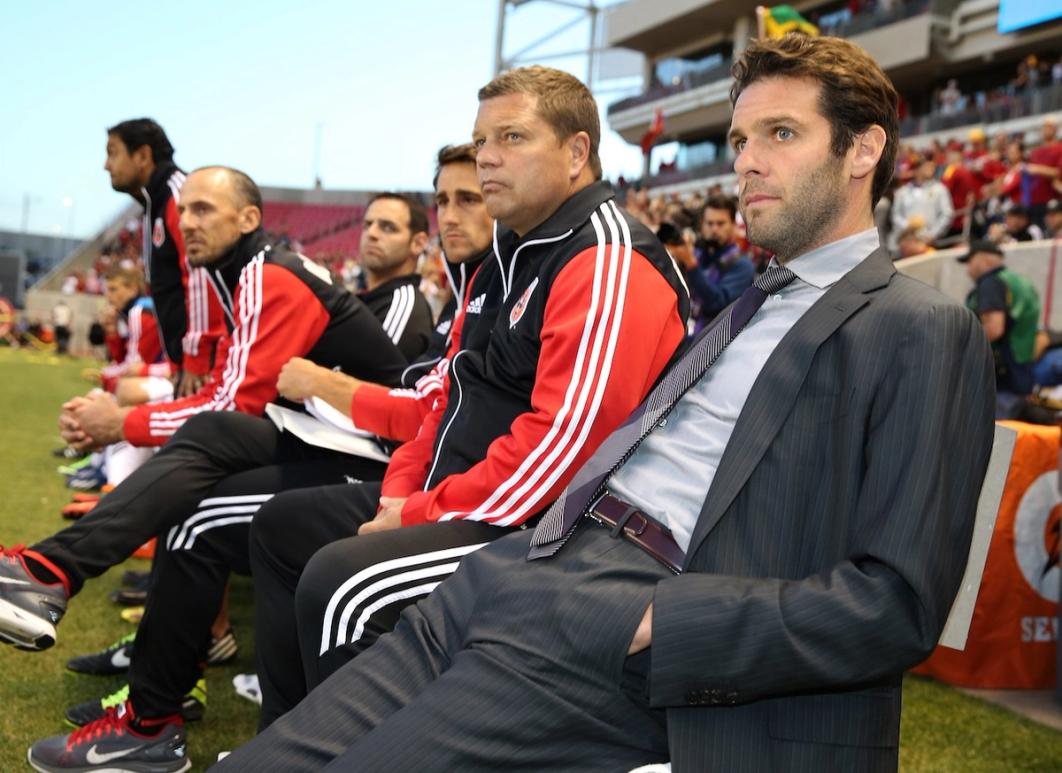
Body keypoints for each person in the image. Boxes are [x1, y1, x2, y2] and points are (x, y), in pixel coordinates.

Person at [217, 35, 994, 773]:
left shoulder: (920, 327)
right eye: (737, 140)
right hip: (524, 567)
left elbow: (894, 604)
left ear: (863, 150)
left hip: (628, 610)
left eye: (781, 133)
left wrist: (656, 624)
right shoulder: (743, 308)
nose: (748, 163)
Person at [244, 65, 689, 731]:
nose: (486, 157)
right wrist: (402, 490)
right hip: (470, 493)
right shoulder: (511, 252)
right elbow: (451, 397)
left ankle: (342, 751)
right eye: (482, 140)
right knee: (281, 528)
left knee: (344, 584)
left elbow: (566, 452)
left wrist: (418, 512)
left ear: (576, 153)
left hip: (555, 528)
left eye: (512, 137)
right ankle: (287, 744)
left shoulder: (605, 255)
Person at [0, 167, 416, 655]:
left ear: (248, 219)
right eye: (182, 212)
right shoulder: (247, 275)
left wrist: (121, 423)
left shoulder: (270, 274)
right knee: (195, 466)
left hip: (381, 462)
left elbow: (238, 405)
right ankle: (132, 663)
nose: (187, 223)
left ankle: (55, 578)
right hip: (331, 441)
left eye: (203, 210)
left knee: (208, 445)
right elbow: (227, 392)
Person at [104, 119, 225, 396]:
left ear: (143, 156)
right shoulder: (154, 201)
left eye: (113, 153)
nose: (106, 165)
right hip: (185, 363)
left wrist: (197, 360)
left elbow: (201, 276)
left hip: (207, 365)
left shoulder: (180, 195)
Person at [959, 239, 1039, 411]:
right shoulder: (1017, 280)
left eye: (970, 262)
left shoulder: (991, 283)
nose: (968, 270)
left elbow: (994, 329)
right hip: (1022, 367)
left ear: (985, 259)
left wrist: (961, 350)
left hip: (1003, 374)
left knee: (998, 429)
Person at [687, 195, 755, 329]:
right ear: (702, 225)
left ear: (733, 225)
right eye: (709, 223)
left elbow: (717, 303)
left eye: (720, 223)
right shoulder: (698, 254)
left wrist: (691, 265)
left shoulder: (743, 264)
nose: (714, 229)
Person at [889, 152, 953, 253]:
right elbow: (895, 215)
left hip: (930, 241)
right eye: (925, 165)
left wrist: (932, 234)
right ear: (916, 170)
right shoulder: (902, 192)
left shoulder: (940, 189)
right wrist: (908, 226)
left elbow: (947, 214)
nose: (930, 168)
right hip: (906, 241)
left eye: (931, 165)